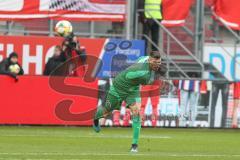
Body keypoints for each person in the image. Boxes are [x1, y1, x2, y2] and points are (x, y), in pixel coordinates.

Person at [93, 51, 166, 153]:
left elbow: (141, 61)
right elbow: (147, 81)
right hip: (119, 86)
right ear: (149, 60)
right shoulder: (143, 73)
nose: (157, 65)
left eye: (159, 63)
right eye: (155, 63)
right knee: (107, 111)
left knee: (136, 112)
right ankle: (96, 117)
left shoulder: (145, 58)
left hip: (133, 88)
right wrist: (157, 76)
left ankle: (134, 145)